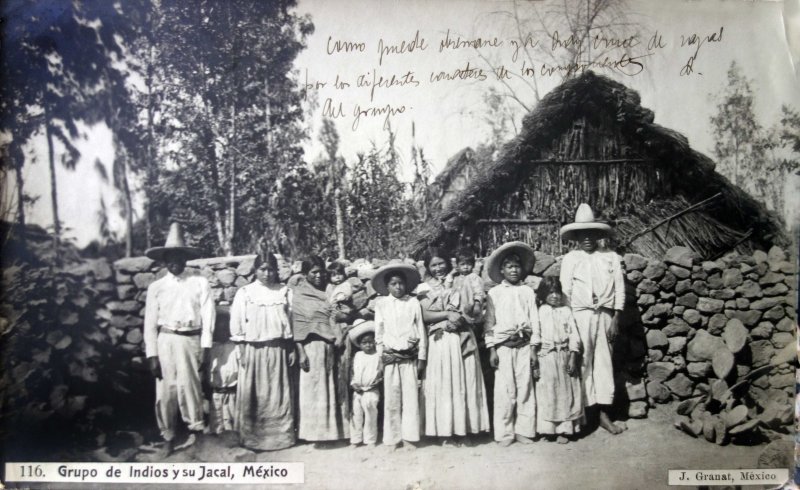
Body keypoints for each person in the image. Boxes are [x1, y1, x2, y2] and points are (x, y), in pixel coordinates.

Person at [143, 222, 215, 455]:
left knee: (191, 387)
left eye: (179, 257)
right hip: (166, 340)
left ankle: (197, 433)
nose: (175, 262)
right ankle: (168, 436)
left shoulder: (199, 283)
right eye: (170, 257)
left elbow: (208, 316)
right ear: (164, 260)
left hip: (190, 340)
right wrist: (152, 354)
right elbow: (149, 324)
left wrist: (205, 346)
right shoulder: (157, 287)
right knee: (166, 390)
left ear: (185, 258)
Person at [559, 203, 626, 435]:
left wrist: (616, 317)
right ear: (576, 237)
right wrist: (572, 325)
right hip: (580, 315)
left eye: (591, 234)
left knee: (604, 362)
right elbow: (565, 292)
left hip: (605, 315)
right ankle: (586, 414)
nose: (587, 239)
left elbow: (620, 288)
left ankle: (605, 415)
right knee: (583, 361)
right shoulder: (570, 259)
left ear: (598, 235)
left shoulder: (611, 258)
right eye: (582, 235)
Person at [418, 248, 490, 445]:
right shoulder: (424, 287)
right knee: (443, 385)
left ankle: (464, 430)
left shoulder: (462, 281)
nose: (438, 268)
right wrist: (447, 315)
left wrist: (461, 319)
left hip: (462, 335)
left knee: (463, 383)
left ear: (449, 264)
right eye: (433, 265)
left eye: (441, 263)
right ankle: (444, 432)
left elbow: (474, 310)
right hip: (440, 341)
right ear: (428, 267)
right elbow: (425, 315)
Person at [229, 252, 296, 450]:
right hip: (253, 350)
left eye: (271, 269)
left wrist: (291, 347)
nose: (267, 274)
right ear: (256, 271)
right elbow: (237, 323)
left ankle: (280, 438)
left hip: (278, 349)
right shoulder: (246, 293)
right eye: (262, 269)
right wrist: (241, 349)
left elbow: (291, 321)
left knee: (278, 394)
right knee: (254, 394)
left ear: (276, 271)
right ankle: (253, 438)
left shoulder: (284, 291)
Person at [484, 241, 538, 447]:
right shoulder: (495, 294)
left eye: (517, 266)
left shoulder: (528, 293)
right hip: (504, 347)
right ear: (502, 270)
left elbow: (535, 321)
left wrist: (533, 348)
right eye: (509, 267)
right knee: (505, 391)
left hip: (524, 345)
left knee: (525, 388)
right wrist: (492, 349)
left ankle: (524, 430)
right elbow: (489, 324)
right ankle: (505, 433)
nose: (514, 270)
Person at [292, 256, 349, 444]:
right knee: (314, 390)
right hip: (311, 347)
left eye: (321, 271)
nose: (318, 275)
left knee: (332, 388)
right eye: (313, 272)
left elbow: (336, 314)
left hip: (330, 345)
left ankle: (333, 433)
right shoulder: (299, 295)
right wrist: (301, 352)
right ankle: (313, 435)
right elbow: (297, 325)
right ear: (305, 274)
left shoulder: (329, 291)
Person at [372, 263, 425, 449]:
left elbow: (420, 330)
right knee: (392, 399)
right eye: (393, 284)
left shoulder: (413, 303)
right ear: (387, 286)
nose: (398, 287)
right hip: (390, 357)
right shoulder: (382, 304)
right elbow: (379, 333)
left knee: (410, 397)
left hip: (409, 357)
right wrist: (381, 357)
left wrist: (421, 358)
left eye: (401, 283)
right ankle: (393, 438)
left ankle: (410, 437)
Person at [532, 276, 583, 443]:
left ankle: (565, 430)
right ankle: (549, 430)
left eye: (557, 292)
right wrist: (536, 357)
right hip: (547, 356)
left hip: (565, 355)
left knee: (566, 392)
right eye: (550, 292)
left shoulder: (567, 311)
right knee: (548, 392)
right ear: (543, 294)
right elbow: (536, 333)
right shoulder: (540, 311)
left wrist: (573, 356)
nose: (554, 296)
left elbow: (574, 334)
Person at [348, 319, 382, 448]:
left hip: (371, 391)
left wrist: (376, 382)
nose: (368, 345)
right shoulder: (357, 355)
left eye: (370, 342)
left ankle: (370, 440)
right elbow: (353, 371)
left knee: (370, 416)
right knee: (356, 415)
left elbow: (380, 373)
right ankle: (355, 439)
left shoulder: (378, 355)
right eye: (364, 343)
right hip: (358, 391)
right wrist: (353, 383)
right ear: (359, 344)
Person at [206, 304, 239, 435]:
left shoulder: (236, 348)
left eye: (225, 327)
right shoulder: (210, 349)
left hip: (232, 395)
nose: (222, 330)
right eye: (218, 327)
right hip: (215, 395)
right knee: (216, 426)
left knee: (232, 426)